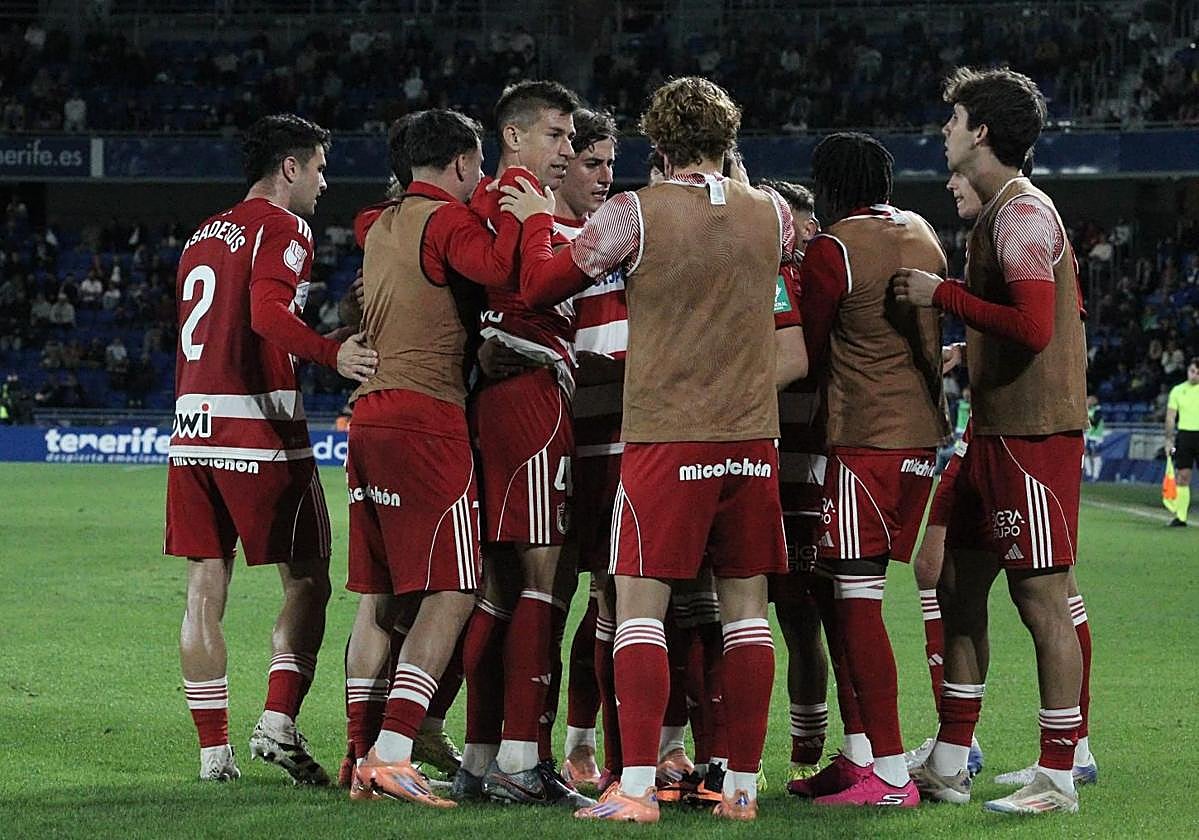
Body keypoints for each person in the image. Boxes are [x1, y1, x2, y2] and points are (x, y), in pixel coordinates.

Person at [504, 75, 799, 822]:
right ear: (728, 140)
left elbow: (541, 286)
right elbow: (771, 267)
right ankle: (740, 789)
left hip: (668, 436)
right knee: (746, 616)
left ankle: (635, 789)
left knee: (638, 611)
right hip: (751, 440)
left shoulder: (632, 212)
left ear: (658, 143)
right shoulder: (773, 213)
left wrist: (539, 222)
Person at [342, 109, 553, 808]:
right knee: (457, 589)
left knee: (383, 596)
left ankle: (359, 755)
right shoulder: (445, 220)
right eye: (479, 167)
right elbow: (498, 267)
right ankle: (394, 751)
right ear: (463, 163)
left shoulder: (380, 222)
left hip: (369, 418)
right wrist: (526, 215)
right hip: (426, 422)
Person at [893, 66, 1089, 815]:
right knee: (953, 583)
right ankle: (949, 760)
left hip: (1031, 435)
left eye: (953, 120)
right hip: (996, 431)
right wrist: (968, 351)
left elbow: (1035, 327)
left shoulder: (1021, 216)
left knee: (1041, 598)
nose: (944, 132)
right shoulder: (1003, 213)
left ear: (979, 132)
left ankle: (1058, 775)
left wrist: (939, 296)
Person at [165, 113, 378, 784]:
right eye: (318, 167)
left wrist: (325, 340)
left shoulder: (202, 234)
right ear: (290, 167)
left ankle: (213, 757)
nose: (324, 181)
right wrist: (332, 354)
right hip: (259, 431)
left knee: (204, 589)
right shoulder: (284, 226)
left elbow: (228, 329)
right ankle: (278, 722)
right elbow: (265, 316)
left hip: (192, 430)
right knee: (309, 579)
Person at [784, 132, 948, 809]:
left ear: (827, 187)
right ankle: (857, 757)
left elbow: (809, 346)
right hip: (920, 439)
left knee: (855, 606)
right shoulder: (922, 231)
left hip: (864, 440)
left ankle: (888, 773)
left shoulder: (835, 248)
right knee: (843, 593)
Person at [455, 80, 594, 809]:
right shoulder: (518, 199)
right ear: (513, 136)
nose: (566, 149)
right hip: (531, 400)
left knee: (501, 587)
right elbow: (530, 289)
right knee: (544, 580)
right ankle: (519, 760)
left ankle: (481, 759)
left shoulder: (499, 200)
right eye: (556, 134)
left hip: (507, 398)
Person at [755, 180, 835, 787]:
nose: (800, 236)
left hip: (806, 472)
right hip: (751, 467)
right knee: (734, 615)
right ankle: (724, 754)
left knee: (802, 614)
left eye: (805, 226)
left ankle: (809, 749)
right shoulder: (753, 277)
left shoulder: (813, 288)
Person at [1164, 357, 1199, 526]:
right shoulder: (1177, 391)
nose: (1195, 375)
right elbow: (1171, 417)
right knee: (1183, 476)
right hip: (1185, 436)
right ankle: (1181, 517)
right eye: (1192, 371)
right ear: (1187, 371)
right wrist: (1168, 440)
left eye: (1198, 373)